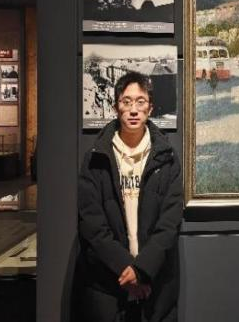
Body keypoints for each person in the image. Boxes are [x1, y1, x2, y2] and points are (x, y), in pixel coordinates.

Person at [74, 71, 183, 322]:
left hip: (156, 282)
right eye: (126, 101)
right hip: (107, 283)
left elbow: (170, 221)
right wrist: (127, 269)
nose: (133, 110)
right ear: (116, 107)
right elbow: (91, 223)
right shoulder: (95, 158)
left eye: (140, 102)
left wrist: (142, 270)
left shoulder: (167, 158)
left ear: (150, 108)